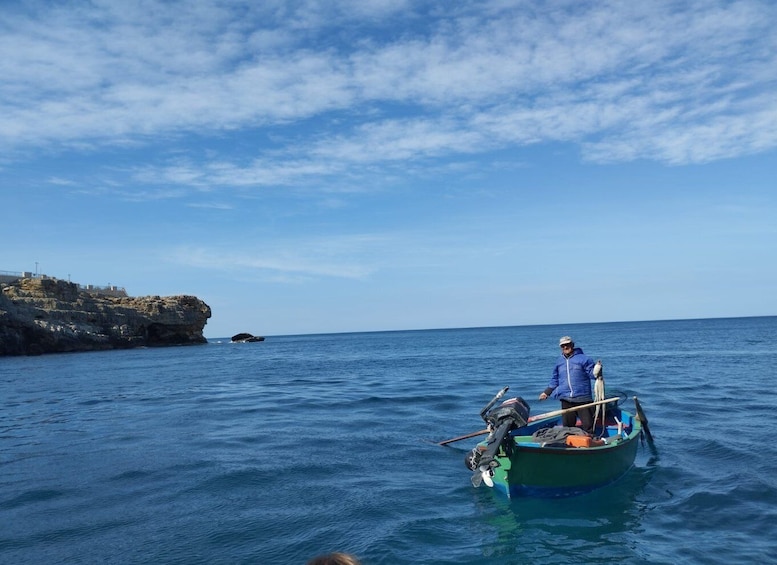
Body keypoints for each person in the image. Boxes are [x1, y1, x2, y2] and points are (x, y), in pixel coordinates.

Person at [539, 336, 601, 433]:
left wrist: (598, 371)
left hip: (583, 398)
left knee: (588, 426)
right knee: (567, 428)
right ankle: (569, 444)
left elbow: (593, 375)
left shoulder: (584, 359)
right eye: (563, 346)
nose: (565, 347)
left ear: (572, 345)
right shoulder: (559, 361)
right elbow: (555, 379)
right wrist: (546, 392)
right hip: (566, 399)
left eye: (567, 345)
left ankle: (590, 442)